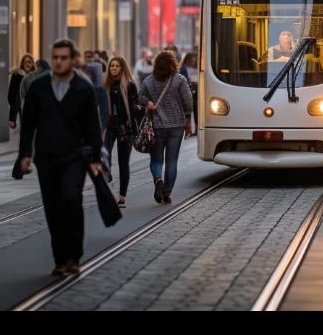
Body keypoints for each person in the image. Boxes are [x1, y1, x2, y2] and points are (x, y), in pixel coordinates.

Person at [19, 38, 103, 276]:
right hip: (46, 157)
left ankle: (74, 256)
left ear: (73, 59)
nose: (58, 62)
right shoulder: (39, 87)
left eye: (63, 58)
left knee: (71, 198)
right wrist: (25, 154)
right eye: (55, 57)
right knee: (53, 208)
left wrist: (96, 159)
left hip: (74, 156)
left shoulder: (83, 88)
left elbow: (93, 127)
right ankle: (59, 259)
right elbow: (28, 125)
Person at [138, 50, 193, 205]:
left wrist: (147, 102)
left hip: (157, 126)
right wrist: (188, 120)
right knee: (172, 161)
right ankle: (167, 193)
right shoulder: (180, 80)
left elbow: (140, 97)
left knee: (156, 159)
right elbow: (188, 102)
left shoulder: (149, 80)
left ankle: (158, 180)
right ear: (173, 63)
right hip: (177, 126)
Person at [103, 56, 142, 208]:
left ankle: (122, 197)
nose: (113, 69)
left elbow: (135, 107)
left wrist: (143, 111)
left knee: (123, 163)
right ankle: (107, 176)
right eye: (111, 66)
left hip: (126, 129)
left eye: (117, 66)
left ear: (122, 68)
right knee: (104, 155)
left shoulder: (130, 86)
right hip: (110, 128)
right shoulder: (105, 86)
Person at [8, 53, 36, 130]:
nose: (27, 64)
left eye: (29, 62)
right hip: (22, 106)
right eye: (25, 62)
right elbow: (12, 95)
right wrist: (12, 117)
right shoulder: (17, 75)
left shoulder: (35, 76)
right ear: (22, 64)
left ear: (32, 63)